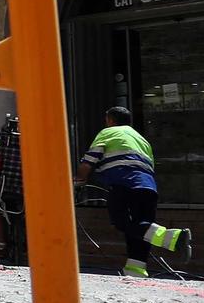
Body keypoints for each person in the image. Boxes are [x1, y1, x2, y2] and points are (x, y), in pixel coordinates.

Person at [76, 106, 190, 278]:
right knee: (141, 227)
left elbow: (90, 160)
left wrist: (78, 180)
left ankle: (173, 238)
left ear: (110, 120)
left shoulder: (109, 132)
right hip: (148, 187)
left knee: (121, 222)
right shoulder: (142, 140)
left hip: (123, 183)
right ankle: (136, 270)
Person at [0, 113, 23, 263]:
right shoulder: (31, 144)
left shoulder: (4, 144)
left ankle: (2, 244)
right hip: (25, 188)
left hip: (5, 186)